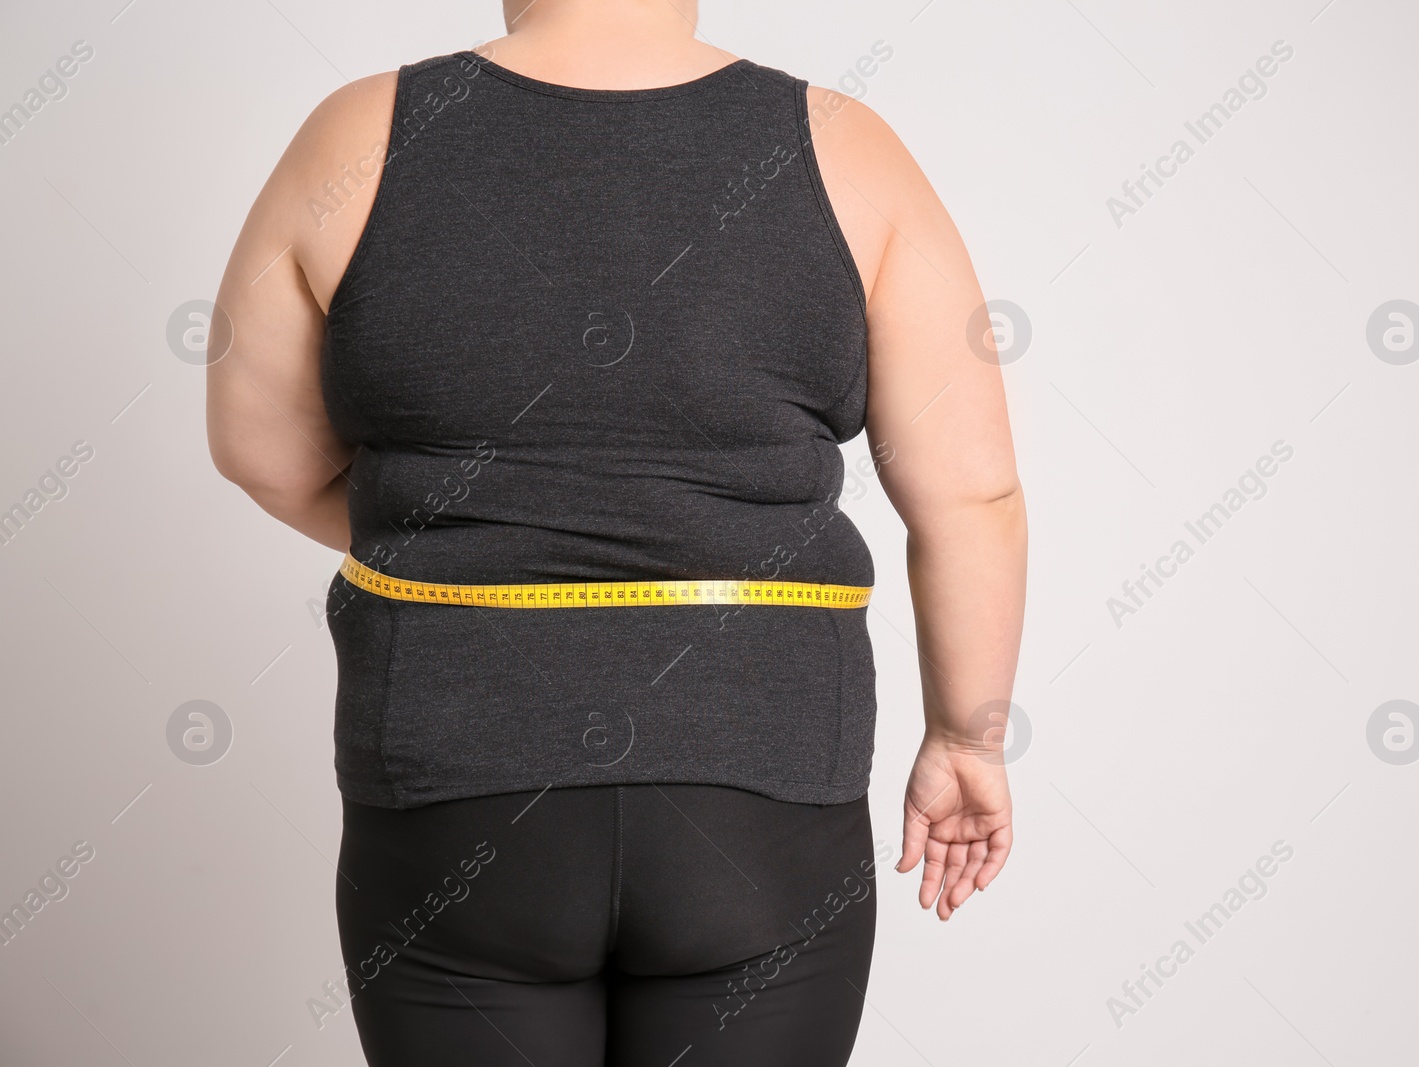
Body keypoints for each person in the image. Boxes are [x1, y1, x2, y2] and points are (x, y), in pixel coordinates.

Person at [206, 1, 1026, 1063]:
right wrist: (968, 736)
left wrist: (463, 532)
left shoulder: (355, 135)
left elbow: (259, 451)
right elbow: (973, 496)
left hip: (456, 789)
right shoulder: (846, 146)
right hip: (760, 797)